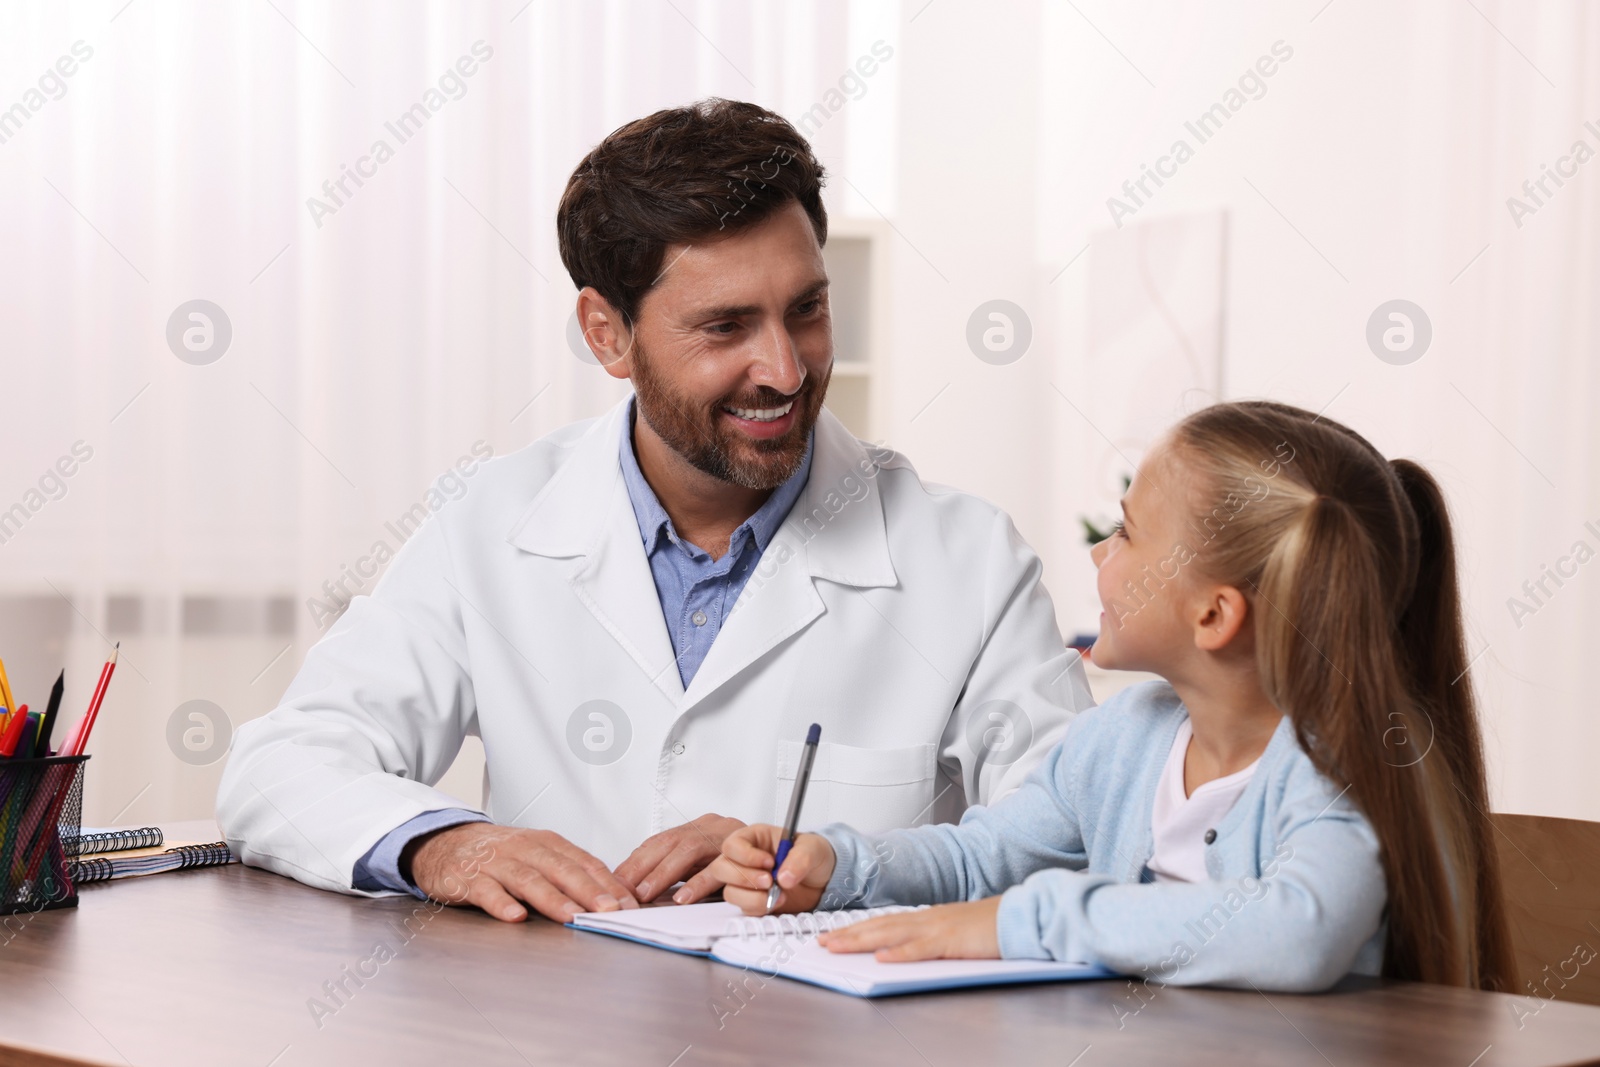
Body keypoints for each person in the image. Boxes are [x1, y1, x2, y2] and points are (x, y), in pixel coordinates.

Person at [215, 99, 1092, 924]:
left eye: (808, 309)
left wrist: (842, 861)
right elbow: (281, 768)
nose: (785, 370)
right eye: (725, 327)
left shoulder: (966, 558)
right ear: (607, 334)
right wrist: (449, 844)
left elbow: (1080, 829)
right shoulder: (492, 523)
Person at [710, 400, 1513, 993]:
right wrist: (840, 864)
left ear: (1212, 613)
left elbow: (1299, 932)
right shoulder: (1126, 736)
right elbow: (981, 855)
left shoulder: (1336, 765)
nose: (1099, 551)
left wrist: (1023, 920)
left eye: (1127, 532)